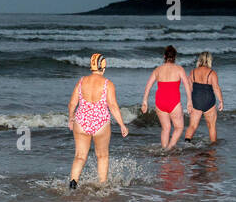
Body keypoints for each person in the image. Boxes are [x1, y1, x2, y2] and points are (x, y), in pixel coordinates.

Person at [66, 53, 128, 189]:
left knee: (80, 156)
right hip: (101, 123)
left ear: (91, 66)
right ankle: (102, 187)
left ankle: (73, 184)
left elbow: (72, 103)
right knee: (102, 156)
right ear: (103, 67)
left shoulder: (81, 81)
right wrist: (122, 125)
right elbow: (113, 106)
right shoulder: (107, 84)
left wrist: (71, 119)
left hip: (81, 121)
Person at [141, 45, 191, 150]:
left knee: (166, 128)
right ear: (175, 57)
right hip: (174, 101)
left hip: (160, 101)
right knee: (179, 127)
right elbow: (187, 86)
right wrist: (189, 101)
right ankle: (169, 148)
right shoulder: (179, 69)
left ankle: (163, 151)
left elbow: (148, 86)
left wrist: (145, 101)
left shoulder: (157, 70)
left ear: (164, 56)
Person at [184, 51, 224, 143]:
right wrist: (221, 101)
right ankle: (213, 148)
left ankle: (186, 145)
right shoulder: (212, 73)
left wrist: (189, 102)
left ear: (199, 60)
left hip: (196, 100)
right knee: (211, 126)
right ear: (209, 60)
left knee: (192, 126)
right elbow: (216, 88)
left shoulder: (193, 72)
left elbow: (189, 88)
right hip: (208, 100)